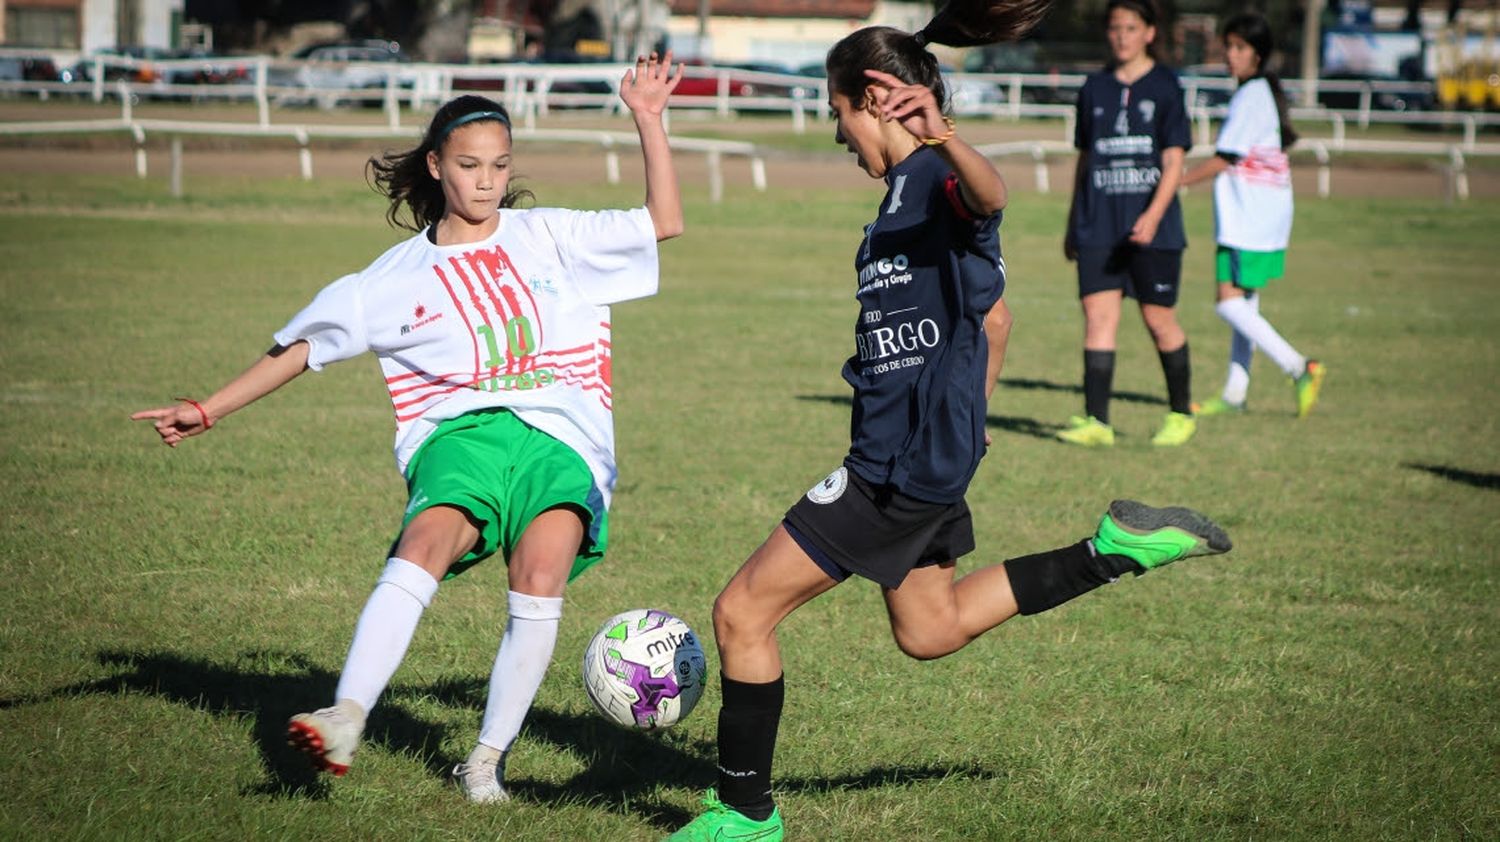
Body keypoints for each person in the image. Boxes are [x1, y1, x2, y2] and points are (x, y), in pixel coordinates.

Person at [666, 6, 1233, 839]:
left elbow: (991, 196)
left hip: (894, 467)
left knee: (742, 612)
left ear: (870, 99)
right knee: (930, 630)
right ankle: (1112, 549)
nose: (836, 135)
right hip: (927, 453)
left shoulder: (933, 178)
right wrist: (976, 411)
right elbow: (994, 319)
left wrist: (944, 138)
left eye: (836, 113)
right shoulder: (898, 199)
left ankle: (744, 814)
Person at [130, 55, 685, 802]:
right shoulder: (387, 280)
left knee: (540, 577)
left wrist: (648, 117)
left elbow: (664, 223)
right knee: (425, 543)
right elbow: (302, 348)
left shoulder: (552, 234)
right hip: (457, 435)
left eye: (499, 165)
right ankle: (346, 715)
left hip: (564, 438)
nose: (486, 180)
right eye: (468, 165)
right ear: (435, 166)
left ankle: (484, 764)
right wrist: (210, 407)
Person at [1060, 0, 1196, 448]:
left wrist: (1153, 217)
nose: (1122, 35)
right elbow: (1085, 158)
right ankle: (1097, 422)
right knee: (1097, 319)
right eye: (1115, 27)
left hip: (1153, 231)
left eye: (1131, 27)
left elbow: (1174, 161)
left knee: (1160, 321)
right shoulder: (1094, 87)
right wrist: (1072, 222)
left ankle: (1180, 414)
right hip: (1099, 226)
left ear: (1150, 33)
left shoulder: (1166, 86)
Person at [1181, 12, 1325, 418]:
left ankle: (1300, 367)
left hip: (1249, 217)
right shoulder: (1259, 92)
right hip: (1263, 214)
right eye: (1228, 46)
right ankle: (1235, 393)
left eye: (1240, 48)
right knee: (1246, 303)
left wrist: (1176, 182)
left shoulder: (1251, 94)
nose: (1231, 55)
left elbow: (1226, 157)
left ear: (1258, 56)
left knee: (1227, 303)